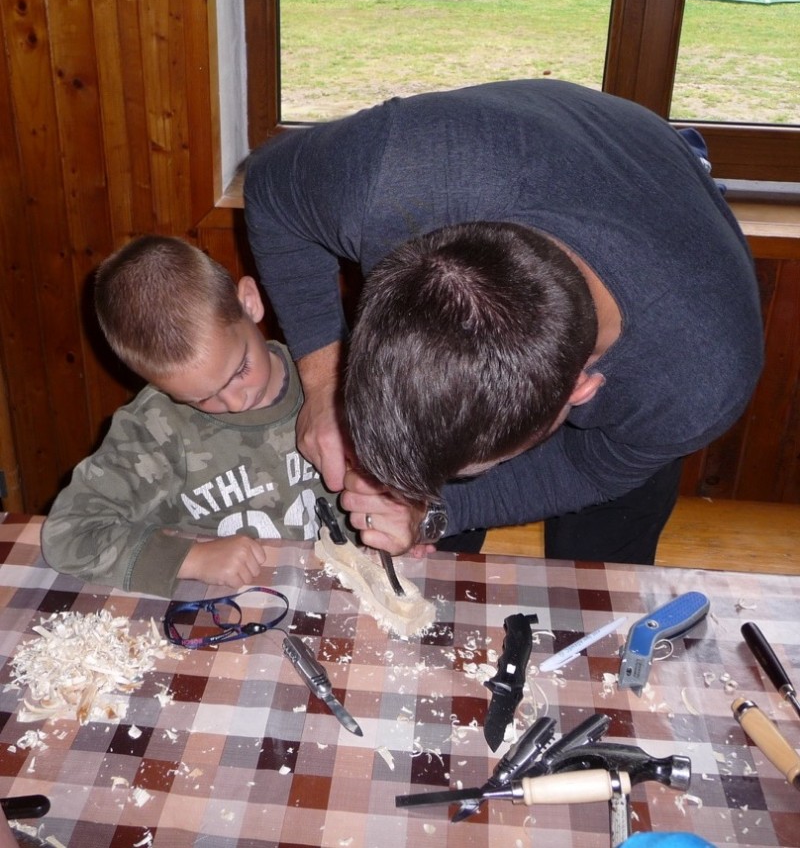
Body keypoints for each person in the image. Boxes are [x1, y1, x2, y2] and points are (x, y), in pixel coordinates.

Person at [243, 79, 763, 564]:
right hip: (516, 150)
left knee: (599, 559)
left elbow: (589, 468)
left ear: (581, 389)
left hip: (669, 234)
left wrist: (439, 511)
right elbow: (272, 190)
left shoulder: (695, 382)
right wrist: (324, 381)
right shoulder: (390, 179)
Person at [42, 236, 345, 599]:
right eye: (201, 398)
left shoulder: (337, 381)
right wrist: (190, 559)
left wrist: (395, 510)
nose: (234, 402)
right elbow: (69, 533)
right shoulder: (155, 428)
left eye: (239, 370)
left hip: (338, 600)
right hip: (221, 612)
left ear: (249, 303)